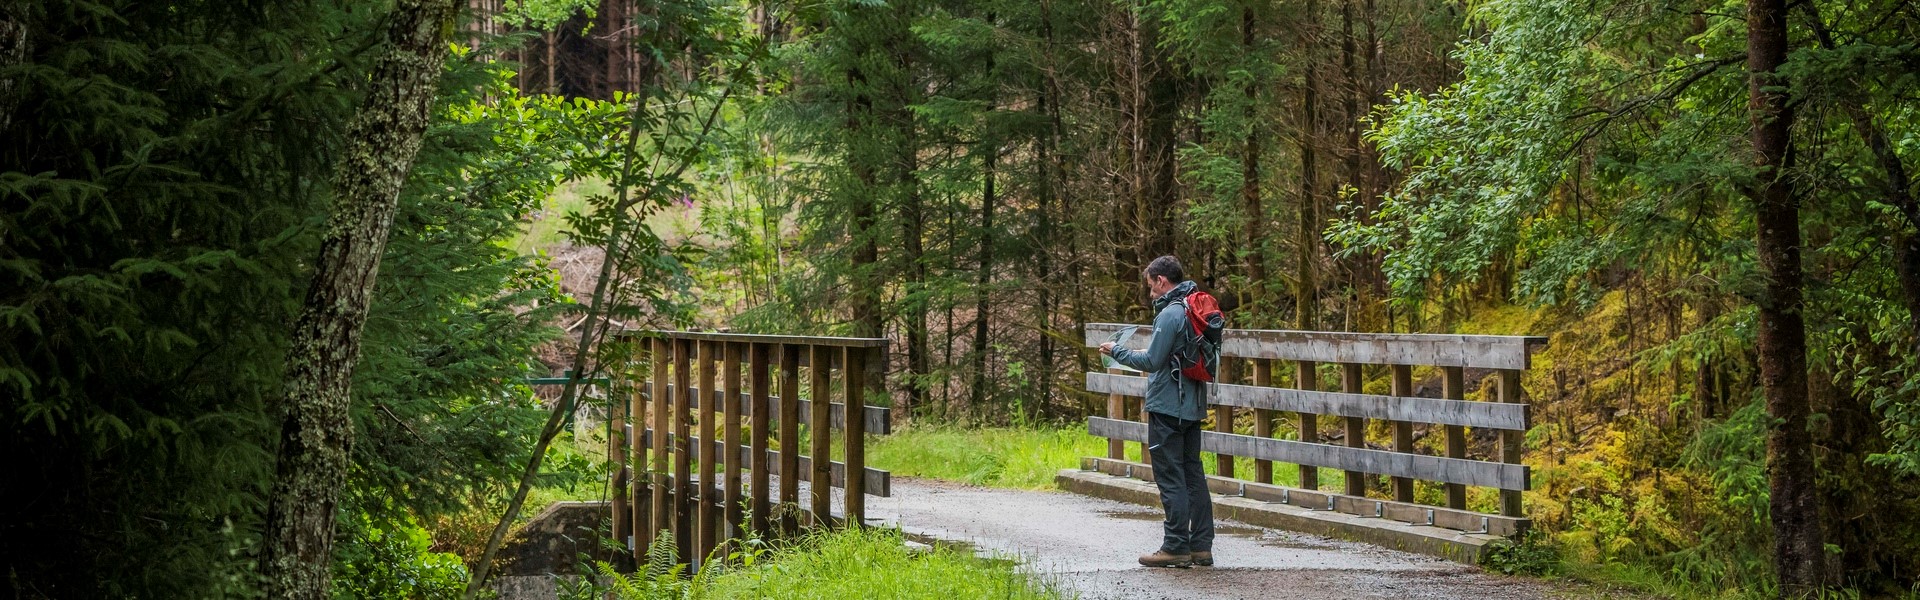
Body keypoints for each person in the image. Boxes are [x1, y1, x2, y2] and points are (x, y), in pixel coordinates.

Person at [1099, 255, 1215, 568]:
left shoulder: (1171, 313)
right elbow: (1167, 355)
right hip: (1192, 405)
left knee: (1170, 476)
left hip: (1167, 406)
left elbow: (1152, 363)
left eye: (1151, 287)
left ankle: (1176, 546)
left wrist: (1117, 351)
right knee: (1193, 474)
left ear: (1161, 281)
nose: (1151, 294)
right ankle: (1202, 546)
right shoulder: (1193, 309)